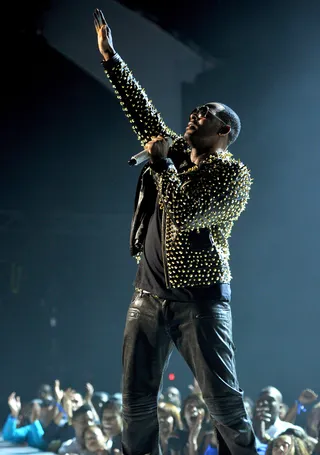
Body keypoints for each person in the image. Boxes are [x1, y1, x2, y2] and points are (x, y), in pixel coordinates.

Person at [93, 8, 255, 455]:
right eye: (196, 109)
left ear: (223, 130)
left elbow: (185, 214)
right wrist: (112, 59)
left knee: (222, 402)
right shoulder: (177, 156)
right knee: (135, 402)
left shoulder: (233, 176)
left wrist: (163, 163)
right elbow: (143, 115)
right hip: (147, 294)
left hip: (198, 301)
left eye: (207, 113)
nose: (195, 114)